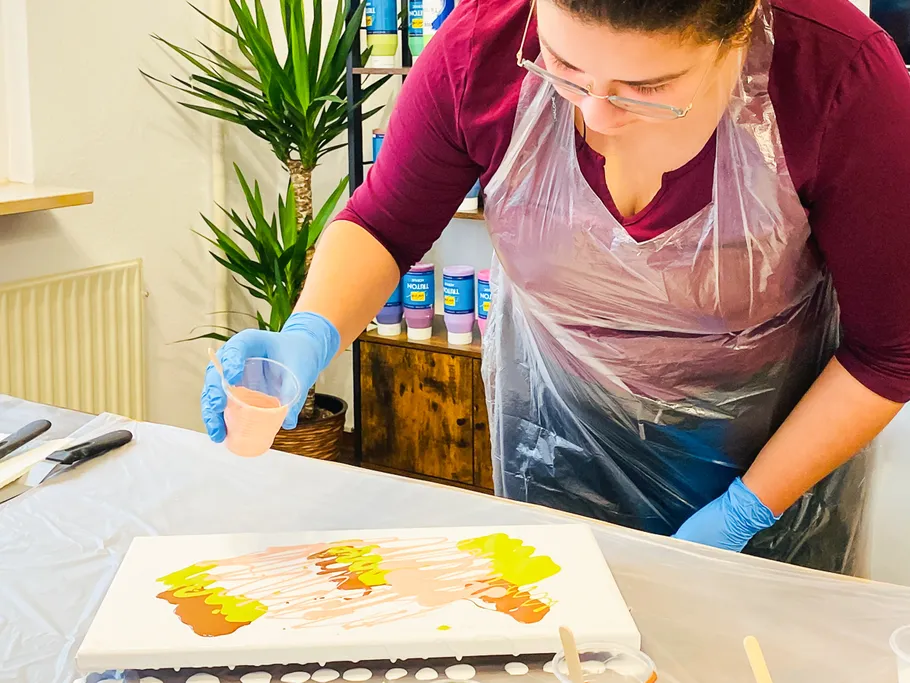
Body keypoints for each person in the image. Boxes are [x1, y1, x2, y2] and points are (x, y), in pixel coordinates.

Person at [201, 0, 910, 573]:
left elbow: (890, 352)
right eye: (564, 65)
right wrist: (308, 333)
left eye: (649, 88)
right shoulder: (482, 46)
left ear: (742, 24)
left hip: (771, 467)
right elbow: (385, 225)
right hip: (556, 444)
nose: (596, 114)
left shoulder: (838, 78)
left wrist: (745, 510)